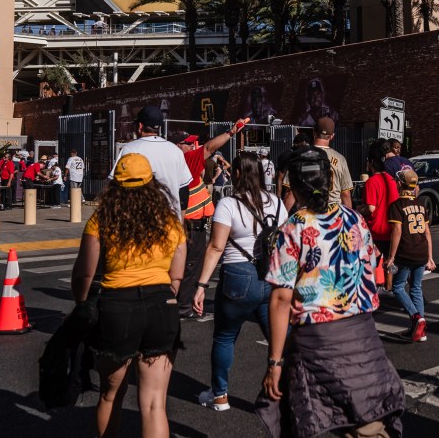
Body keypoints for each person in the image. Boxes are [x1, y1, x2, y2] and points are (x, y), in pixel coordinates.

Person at [256, 146, 405, 437]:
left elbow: (281, 299)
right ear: (330, 181)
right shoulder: (355, 220)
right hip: (362, 333)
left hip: (319, 339)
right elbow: (368, 272)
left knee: (310, 414)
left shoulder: (293, 229)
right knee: (365, 414)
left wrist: (274, 362)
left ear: (295, 187)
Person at [70, 153, 187, 438]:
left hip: (116, 306)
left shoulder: (101, 220)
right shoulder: (170, 221)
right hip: (162, 304)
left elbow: (84, 274)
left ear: (116, 185)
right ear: (151, 184)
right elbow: (177, 276)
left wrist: (82, 305)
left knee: (111, 395)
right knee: (154, 404)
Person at [194, 152, 286, 411]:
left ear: (235, 174)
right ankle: (280, 392)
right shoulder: (277, 203)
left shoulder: (228, 204)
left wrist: (201, 286)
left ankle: (220, 395)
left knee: (225, 337)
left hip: (237, 274)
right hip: (270, 275)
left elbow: (215, 247)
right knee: (277, 338)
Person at [168, 120, 249, 318]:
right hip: (190, 225)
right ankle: (183, 307)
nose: (192, 146)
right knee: (189, 267)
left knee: (189, 266)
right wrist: (231, 132)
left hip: (191, 223)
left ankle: (181, 305)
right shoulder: (186, 160)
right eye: (188, 143)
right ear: (178, 146)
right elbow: (210, 147)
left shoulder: (179, 162)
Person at [113, 105, 192, 217]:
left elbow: (116, 186)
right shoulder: (175, 151)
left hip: (139, 223)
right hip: (170, 222)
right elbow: (183, 191)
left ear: (140, 126)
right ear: (158, 127)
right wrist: (180, 220)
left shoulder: (130, 149)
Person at [386, 168, 435, 343]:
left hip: (406, 252)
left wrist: (391, 256)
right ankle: (420, 330)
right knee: (416, 288)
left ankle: (416, 318)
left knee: (398, 287)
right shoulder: (421, 205)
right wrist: (430, 256)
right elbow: (427, 232)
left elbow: (397, 231)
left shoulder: (397, 206)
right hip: (422, 251)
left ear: (399, 184)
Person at [363, 140, 398, 256]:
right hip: (392, 231)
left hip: (376, 233)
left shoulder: (371, 182)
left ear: (371, 162)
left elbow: (370, 208)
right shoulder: (392, 180)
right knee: (389, 267)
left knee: (375, 268)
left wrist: (357, 209)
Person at [312, 117, 352, 207]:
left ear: (314, 132)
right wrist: (348, 216)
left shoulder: (301, 156)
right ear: (332, 136)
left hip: (309, 211)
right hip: (333, 211)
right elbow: (346, 194)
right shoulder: (340, 159)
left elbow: (290, 193)